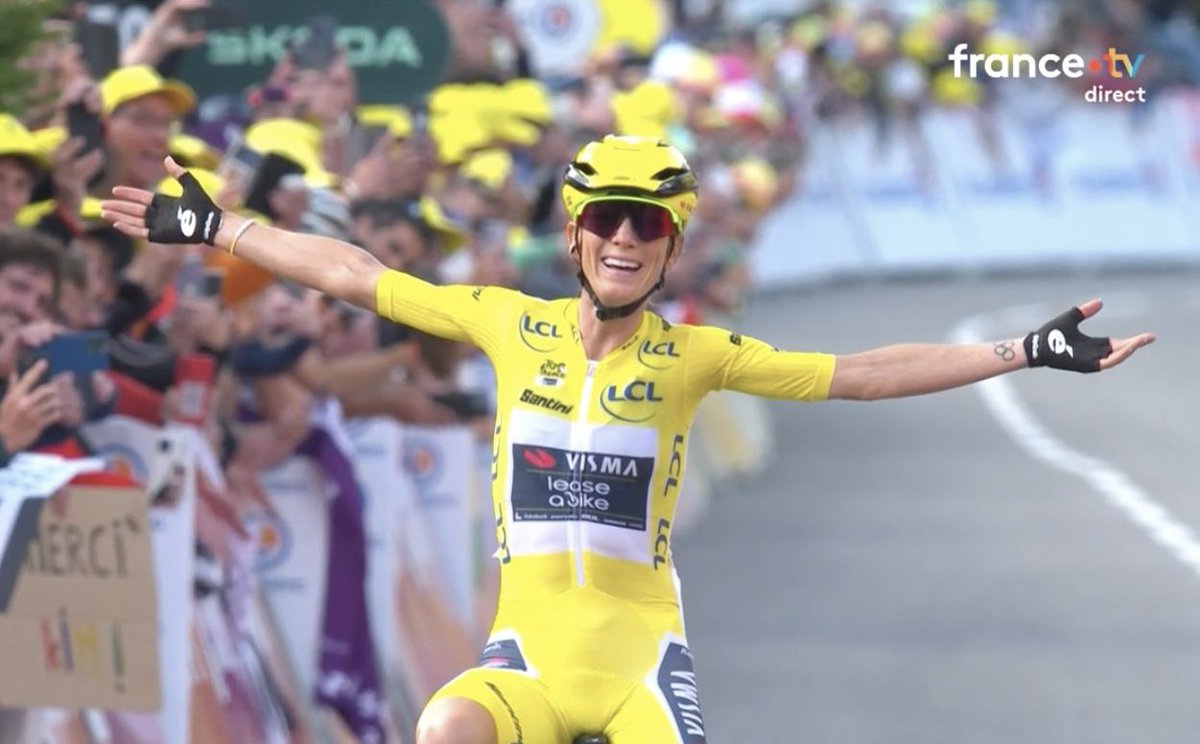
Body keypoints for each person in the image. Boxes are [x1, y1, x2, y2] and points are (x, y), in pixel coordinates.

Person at [100, 135, 1155, 744]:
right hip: (526, 655)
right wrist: (218, 227)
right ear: (574, 234)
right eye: (605, 219)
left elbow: (863, 375)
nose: (620, 238)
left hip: (639, 663)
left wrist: (1023, 349)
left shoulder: (696, 356)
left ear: (671, 247)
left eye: (645, 225)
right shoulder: (506, 323)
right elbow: (354, 274)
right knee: (443, 730)